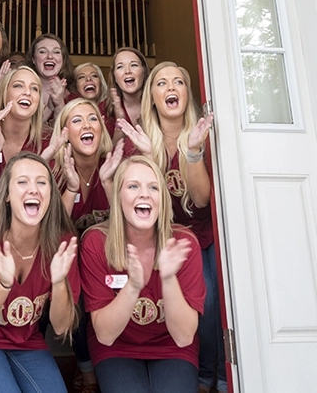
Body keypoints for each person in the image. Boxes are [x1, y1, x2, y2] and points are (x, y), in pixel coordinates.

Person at [120, 61, 223, 393]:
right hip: (166, 239)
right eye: (162, 83)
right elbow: (145, 203)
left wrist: (192, 152)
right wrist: (150, 158)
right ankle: (199, 374)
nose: (171, 88)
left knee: (211, 305)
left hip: (203, 237)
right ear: (152, 96)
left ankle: (216, 376)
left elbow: (201, 199)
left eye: (178, 82)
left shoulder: (200, 136)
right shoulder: (142, 140)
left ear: (185, 92)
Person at [80, 155, 205, 393]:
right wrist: (133, 286)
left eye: (153, 187)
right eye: (133, 186)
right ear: (118, 197)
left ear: (162, 200)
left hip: (171, 345)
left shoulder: (184, 243)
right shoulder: (96, 242)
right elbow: (105, 335)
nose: (144, 194)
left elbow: (184, 337)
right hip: (117, 346)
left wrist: (168, 279)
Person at [0, 152, 80, 393]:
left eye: (42, 182)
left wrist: (58, 282)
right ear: (6, 195)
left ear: (51, 196)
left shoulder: (62, 244)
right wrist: (4, 285)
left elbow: (61, 326)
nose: (33, 189)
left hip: (27, 342)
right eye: (22, 181)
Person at [51, 98, 124, 393]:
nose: (86, 125)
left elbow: (130, 222)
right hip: (66, 258)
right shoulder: (55, 170)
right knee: (75, 286)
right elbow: (53, 230)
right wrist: (70, 188)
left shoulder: (115, 164)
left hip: (108, 257)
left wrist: (108, 184)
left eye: (92, 118)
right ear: (65, 131)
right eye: (77, 120)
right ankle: (86, 371)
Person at [0, 66, 62, 209]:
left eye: (34, 89)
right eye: (18, 86)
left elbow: (50, 211)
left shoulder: (47, 141)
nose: (27, 93)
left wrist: (43, 160)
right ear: (4, 94)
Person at [30, 34, 75, 124]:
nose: (50, 56)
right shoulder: (22, 93)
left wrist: (59, 104)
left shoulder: (74, 97)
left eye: (56, 52)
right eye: (42, 52)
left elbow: (70, 133)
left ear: (63, 60)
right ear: (33, 59)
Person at [107, 47, 148, 140]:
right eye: (120, 67)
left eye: (134, 65)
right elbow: (107, 153)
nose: (127, 71)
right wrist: (120, 123)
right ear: (115, 77)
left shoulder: (158, 104)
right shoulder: (103, 109)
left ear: (144, 71)